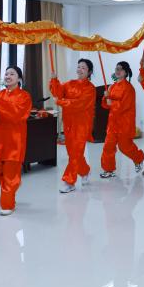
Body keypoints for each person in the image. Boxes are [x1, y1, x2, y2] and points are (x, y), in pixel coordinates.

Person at [0, 66, 32, 214]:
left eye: (12, 74)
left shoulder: (24, 96)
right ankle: (12, 185)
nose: (8, 76)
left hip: (14, 141)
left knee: (10, 173)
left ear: (19, 78)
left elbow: (17, 115)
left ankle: (7, 205)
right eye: (6, 73)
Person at [50, 59, 96, 193]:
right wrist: (54, 80)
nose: (80, 69)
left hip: (82, 124)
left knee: (75, 152)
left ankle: (69, 182)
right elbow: (57, 93)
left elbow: (79, 104)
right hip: (69, 123)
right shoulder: (70, 84)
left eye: (83, 68)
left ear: (89, 72)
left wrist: (61, 102)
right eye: (79, 66)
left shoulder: (90, 89)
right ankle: (85, 171)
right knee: (73, 153)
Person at [100, 61, 144, 178]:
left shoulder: (129, 88)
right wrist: (105, 97)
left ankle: (138, 158)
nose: (117, 71)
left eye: (120, 69)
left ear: (126, 72)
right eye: (116, 68)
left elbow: (124, 106)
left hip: (125, 123)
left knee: (124, 147)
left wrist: (111, 102)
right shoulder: (112, 87)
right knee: (108, 146)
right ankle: (109, 170)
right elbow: (106, 106)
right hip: (112, 123)